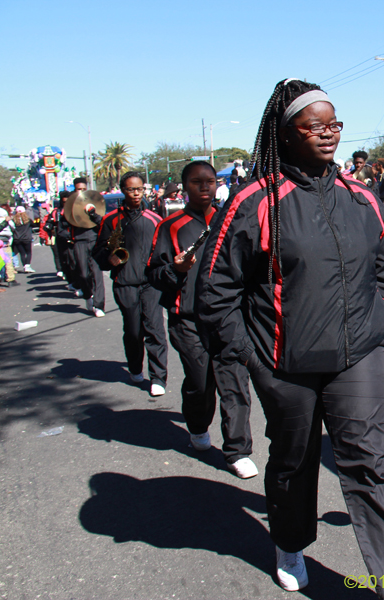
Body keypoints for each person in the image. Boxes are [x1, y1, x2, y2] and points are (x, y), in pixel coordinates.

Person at [195, 78, 384, 599]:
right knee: (294, 460)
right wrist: (248, 356)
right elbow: (215, 288)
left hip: (357, 355)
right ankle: (290, 541)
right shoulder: (255, 201)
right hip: (283, 363)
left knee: (370, 459)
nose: (328, 134)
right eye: (314, 126)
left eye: (334, 124)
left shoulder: (362, 198)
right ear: (287, 134)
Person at [147, 161, 257, 479]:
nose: (205, 187)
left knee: (235, 381)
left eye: (210, 181)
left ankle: (238, 450)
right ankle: (197, 426)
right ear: (185, 187)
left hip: (228, 318)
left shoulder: (230, 219)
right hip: (187, 319)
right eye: (197, 182)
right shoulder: (171, 225)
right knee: (200, 381)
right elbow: (154, 273)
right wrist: (175, 270)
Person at [94, 171, 168, 397]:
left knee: (155, 329)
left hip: (151, 284)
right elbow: (97, 253)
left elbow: (164, 251)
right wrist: (109, 259)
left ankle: (158, 378)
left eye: (139, 189)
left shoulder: (155, 218)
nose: (136, 193)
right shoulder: (110, 220)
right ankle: (135, 368)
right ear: (122, 191)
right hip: (124, 282)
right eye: (130, 189)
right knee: (133, 330)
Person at [69, 178, 107, 315]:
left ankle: (99, 305)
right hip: (79, 241)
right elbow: (63, 225)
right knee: (84, 274)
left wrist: (93, 214)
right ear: (75, 190)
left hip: (94, 241)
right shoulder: (70, 205)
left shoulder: (95, 202)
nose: (81, 191)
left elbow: (102, 221)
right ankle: (88, 295)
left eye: (83, 188)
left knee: (97, 273)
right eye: (79, 189)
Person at [11, 207, 34, 273]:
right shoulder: (28, 220)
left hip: (17, 239)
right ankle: (27, 266)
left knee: (22, 253)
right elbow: (34, 224)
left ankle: (24, 266)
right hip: (26, 238)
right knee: (29, 252)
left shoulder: (14, 220)